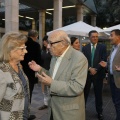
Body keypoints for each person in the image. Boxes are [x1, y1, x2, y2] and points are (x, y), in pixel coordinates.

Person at [28, 30, 88, 120]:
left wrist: (52, 83)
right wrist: (39, 69)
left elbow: (77, 87)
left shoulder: (79, 58)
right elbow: (53, 76)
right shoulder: (55, 56)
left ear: (63, 43)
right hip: (53, 109)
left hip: (68, 113)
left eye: (51, 43)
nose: (48, 46)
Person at [0, 32, 29, 120]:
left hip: (23, 115)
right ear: (10, 50)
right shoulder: (2, 71)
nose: (26, 51)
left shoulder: (19, 66)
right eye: (22, 49)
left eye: (25, 48)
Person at [82, 30, 107, 120]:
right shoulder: (85, 48)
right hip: (87, 75)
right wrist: (89, 68)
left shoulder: (102, 47)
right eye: (93, 36)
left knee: (98, 95)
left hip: (98, 75)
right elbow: (83, 61)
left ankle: (99, 112)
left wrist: (96, 69)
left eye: (96, 36)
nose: (95, 38)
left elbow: (104, 59)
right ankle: (82, 110)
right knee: (85, 93)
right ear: (89, 38)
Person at [21, 30, 42, 119]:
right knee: (28, 93)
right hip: (30, 72)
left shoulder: (23, 42)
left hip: (20, 71)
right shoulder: (36, 45)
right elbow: (38, 60)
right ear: (36, 37)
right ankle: (26, 114)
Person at [99, 29, 120, 120]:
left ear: (118, 37)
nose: (109, 37)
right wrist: (107, 64)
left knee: (118, 103)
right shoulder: (113, 48)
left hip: (118, 80)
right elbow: (114, 62)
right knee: (116, 102)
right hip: (112, 79)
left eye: (111, 35)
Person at [38, 35, 52, 110]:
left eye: (45, 43)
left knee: (50, 89)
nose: (44, 44)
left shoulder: (52, 51)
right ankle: (46, 103)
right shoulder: (42, 51)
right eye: (44, 43)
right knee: (44, 90)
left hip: (50, 72)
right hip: (43, 72)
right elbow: (40, 61)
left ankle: (51, 104)